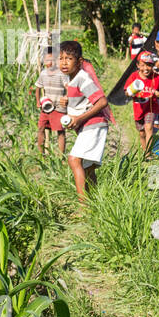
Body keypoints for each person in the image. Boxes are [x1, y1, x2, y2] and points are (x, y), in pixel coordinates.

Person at [56, 40, 108, 199]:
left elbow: (102, 101)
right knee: (87, 168)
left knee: (73, 160)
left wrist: (79, 119)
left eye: (68, 59)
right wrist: (67, 100)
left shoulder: (82, 78)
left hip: (94, 124)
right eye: (61, 58)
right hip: (89, 127)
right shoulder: (71, 79)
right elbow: (82, 99)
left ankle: (83, 206)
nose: (64, 62)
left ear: (79, 62)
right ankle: (94, 201)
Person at [124, 50, 159, 154]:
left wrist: (157, 93)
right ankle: (144, 149)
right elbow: (126, 91)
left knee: (149, 127)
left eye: (149, 65)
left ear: (152, 65)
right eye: (143, 65)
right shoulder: (134, 77)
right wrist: (129, 93)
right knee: (142, 133)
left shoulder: (156, 77)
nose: (146, 68)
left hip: (151, 107)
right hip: (138, 109)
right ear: (137, 65)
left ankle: (148, 154)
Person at [32, 47, 68, 156]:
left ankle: (60, 157)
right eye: (47, 60)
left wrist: (66, 97)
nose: (49, 63)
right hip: (46, 107)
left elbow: (69, 88)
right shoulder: (43, 73)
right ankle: (41, 155)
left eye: (52, 60)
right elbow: (37, 88)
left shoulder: (62, 74)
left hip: (59, 108)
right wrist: (38, 102)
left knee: (60, 132)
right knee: (41, 129)